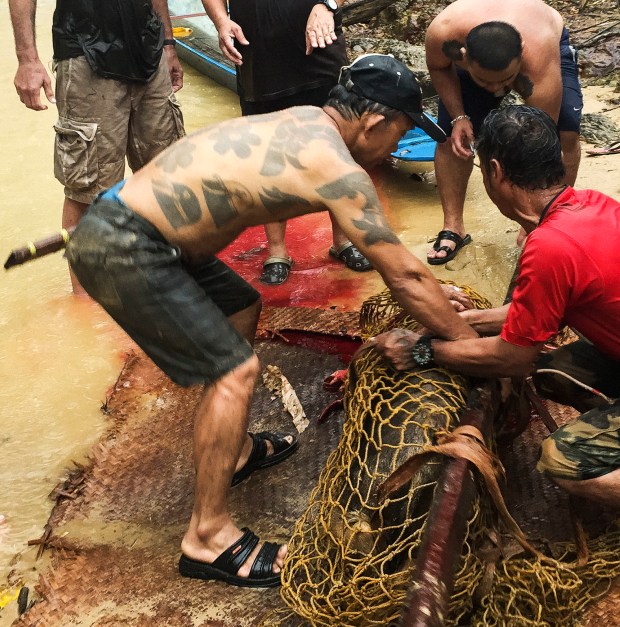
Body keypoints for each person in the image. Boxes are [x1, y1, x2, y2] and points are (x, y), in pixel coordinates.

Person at [65, 54, 473, 587]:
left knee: (242, 305)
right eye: (398, 134)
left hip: (129, 228)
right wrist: (468, 344)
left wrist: (427, 288)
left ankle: (231, 452)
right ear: (373, 121)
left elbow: (407, 274)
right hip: (125, 246)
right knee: (233, 372)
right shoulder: (338, 169)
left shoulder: (304, 119)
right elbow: (405, 279)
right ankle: (207, 538)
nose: (395, 147)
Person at [370, 106, 620, 509]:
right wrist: (463, 321)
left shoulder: (550, 245)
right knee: (554, 372)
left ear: (495, 171)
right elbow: (540, 310)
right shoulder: (592, 204)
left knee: (561, 461)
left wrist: (421, 351)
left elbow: (514, 359)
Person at [9, 0, 186, 295]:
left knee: (163, 175)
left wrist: (168, 44)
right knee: (89, 188)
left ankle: (162, 278)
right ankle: (85, 302)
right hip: (83, 50)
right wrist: (27, 58)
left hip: (148, 49)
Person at [203, 0, 371, 285]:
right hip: (258, 56)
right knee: (267, 153)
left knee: (335, 144)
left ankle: (343, 239)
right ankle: (278, 251)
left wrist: (328, 4)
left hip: (319, 47)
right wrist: (221, 21)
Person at [424, 0, 582, 265]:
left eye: (505, 81)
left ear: (522, 53)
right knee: (454, 137)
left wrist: (529, 214)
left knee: (565, 134)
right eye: (485, 81)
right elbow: (438, 67)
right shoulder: (443, 33)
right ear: (463, 56)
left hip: (539, 43)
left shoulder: (539, 52)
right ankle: (453, 227)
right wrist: (459, 117)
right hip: (483, 54)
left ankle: (550, 219)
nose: (496, 89)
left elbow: (544, 141)